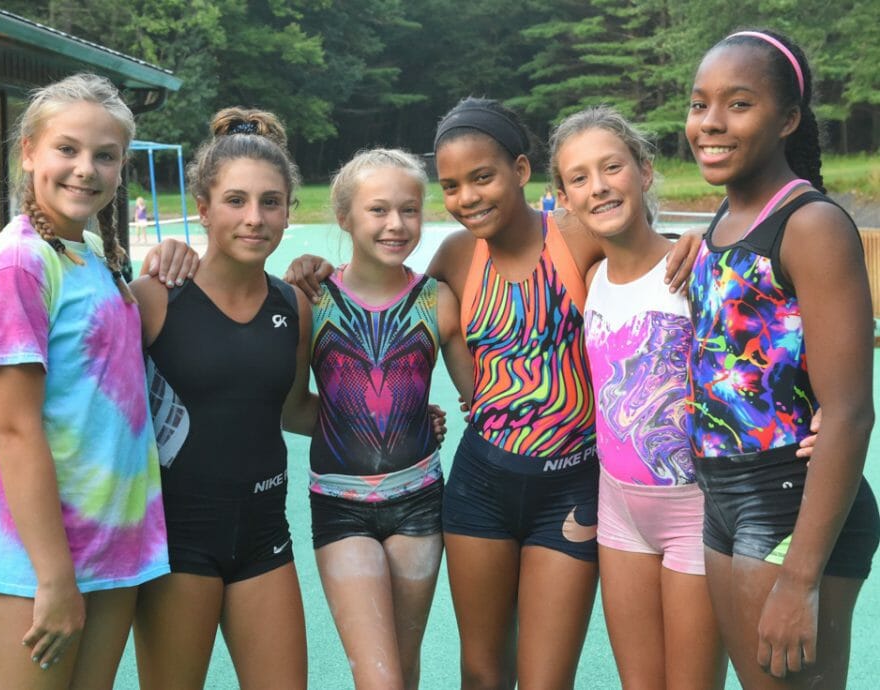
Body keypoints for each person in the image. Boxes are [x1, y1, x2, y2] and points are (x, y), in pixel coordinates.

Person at [284, 97, 702, 689]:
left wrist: (698, 239)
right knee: (481, 674)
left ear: (522, 171)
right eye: (452, 187)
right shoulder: (457, 256)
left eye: (483, 178)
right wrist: (312, 268)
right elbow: (389, 297)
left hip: (571, 487)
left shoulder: (576, 236)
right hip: (481, 487)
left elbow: (640, 245)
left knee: (544, 678)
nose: (469, 198)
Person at [0, 73, 170, 689]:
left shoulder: (90, 259)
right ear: (28, 151)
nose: (86, 169)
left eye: (105, 155)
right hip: (40, 556)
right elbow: (18, 429)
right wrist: (54, 578)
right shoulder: (20, 261)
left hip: (111, 543)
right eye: (67, 149)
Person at [685, 29, 880, 688]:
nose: (710, 122)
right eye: (699, 103)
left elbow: (850, 413)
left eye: (738, 104)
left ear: (788, 118)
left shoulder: (811, 226)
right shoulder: (723, 221)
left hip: (791, 504)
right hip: (723, 494)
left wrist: (800, 580)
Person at [128, 107, 315, 689]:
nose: (254, 218)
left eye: (270, 202)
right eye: (235, 201)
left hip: (265, 534)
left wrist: (394, 417)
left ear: (288, 211)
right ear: (203, 209)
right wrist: (2, 418)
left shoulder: (295, 304)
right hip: (177, 542)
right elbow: (99, 402)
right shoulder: (155, 298)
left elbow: (293, 409)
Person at [549, 105, 726, 689]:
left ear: (644, 172)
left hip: (696, 512)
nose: (598, 187)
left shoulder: (696, 267)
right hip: (619, 510)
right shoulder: (591, 276)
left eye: (612, 168)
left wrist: (710, 237)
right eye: (579, 178)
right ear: (564, 199)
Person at [308, 148, 473, 689]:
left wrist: (409, 421)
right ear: (345, 218)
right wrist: (359, 420)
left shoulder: (437, 301)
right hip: (340, 506)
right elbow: (288, 406)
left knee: (403, 668)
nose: (396, 224)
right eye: (378, 210)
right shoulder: (312, 301)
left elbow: (481, 396)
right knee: (379, 678)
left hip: (420, 503)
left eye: (409, 210)